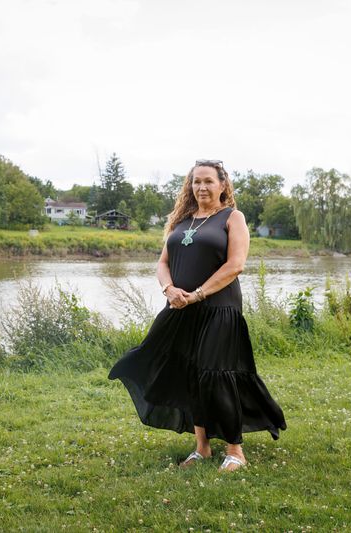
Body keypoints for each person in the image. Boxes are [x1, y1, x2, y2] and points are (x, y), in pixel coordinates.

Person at [108, 159, 287, 472]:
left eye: (208, 181)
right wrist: (169, 290)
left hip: (219, 308)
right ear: (189, 187)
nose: (202, 187)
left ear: (222, 185)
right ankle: (201, 448)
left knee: (217, 374)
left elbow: (235, 265)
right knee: (189, 374)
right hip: (180, 309)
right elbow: (163, 263)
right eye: (196, 182)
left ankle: (235, 451)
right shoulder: (182, 221)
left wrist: (199, 294)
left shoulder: (233, 218)